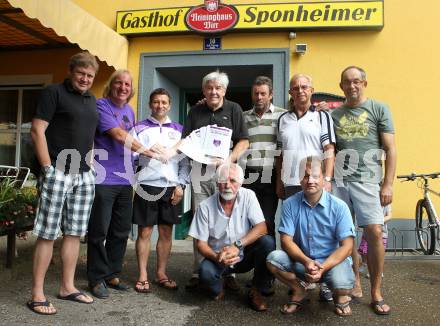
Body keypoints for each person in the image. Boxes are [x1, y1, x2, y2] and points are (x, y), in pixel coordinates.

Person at [28, 51, 99, 314]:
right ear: (71, 71)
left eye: (90, 75)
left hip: (83, 175)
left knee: (74, 233)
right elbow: (37, 130)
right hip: (57, 170)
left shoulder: (92, 100)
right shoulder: (53, 92)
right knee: (48, 233)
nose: (85, 79)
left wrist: (90, 166)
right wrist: (47, 168)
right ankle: (37, 293)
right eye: (81, 73)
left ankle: (67, 287)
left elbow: (89, 135)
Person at [87, 70, 166, 299]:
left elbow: (129, 141)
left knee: (120, 231)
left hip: (125, 179)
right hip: (104, 178)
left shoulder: (129, 110)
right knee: (99, 230)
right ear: (111, 85)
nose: (123, 87)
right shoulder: (102, 106)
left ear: (131, 89)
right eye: (119, 83)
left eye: (127, 84)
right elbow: (119, 135)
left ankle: (112, 273)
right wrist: (148, 151)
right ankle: (96, 277)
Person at [331, 66, 396, 315]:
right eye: (347, 82)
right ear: (341, 87)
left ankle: (376, 290)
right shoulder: (334, 115)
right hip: (340, 182)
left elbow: (390, 149)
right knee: (345, 235)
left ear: (364, 83)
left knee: (374, 232)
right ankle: (354, 281)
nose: (352, 86)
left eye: (356, 81)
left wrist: (388, 184)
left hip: (369, 181)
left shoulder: (379, 108)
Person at [184, 71, 249, 290]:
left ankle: (228, 272)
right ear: (204, 90)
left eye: (218, 88)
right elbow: (186, 141)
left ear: (224, 90)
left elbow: (244, 141)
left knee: (227, 221)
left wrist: (229, 160)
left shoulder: (234, 109)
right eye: (209, 88)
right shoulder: (195, 111)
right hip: (199, 174)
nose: (214, 91)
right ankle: (197, 270)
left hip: (225, 174)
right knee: (199, 221)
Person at [266, 156, 356, 317]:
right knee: (273, 259)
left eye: (315, 176)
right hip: (303, 262)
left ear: (323, 179)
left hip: (331, 264)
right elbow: (286, 241)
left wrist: (322, 268)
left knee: (343, 286)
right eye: (306, 176)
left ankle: (340, 295)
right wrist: (307, 262)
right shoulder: (289, 204)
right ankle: (299, 289)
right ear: (300, 179)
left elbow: (347, 246)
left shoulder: (339, 207)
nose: (310, 180)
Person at [275, 73, 336, 301]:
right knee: (297, 235)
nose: (300, 90)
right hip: (291, 184)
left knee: (322, 233)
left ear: (311, 90)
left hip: (316, 183)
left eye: (304, 87)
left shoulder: (322, 117)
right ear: (290, 93)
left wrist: (327, 180)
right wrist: (279, 181)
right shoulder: (283, 119)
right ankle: (302, 280)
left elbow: (329, 150)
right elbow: (280, 155)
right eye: (296, 88)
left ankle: (327, 282)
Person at [188, 163, 275, 311]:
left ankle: (256, 290)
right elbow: (200, 244)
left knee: (267, 242)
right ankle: (218, 288)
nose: (227, 185)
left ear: (240, 183)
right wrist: (217, 257)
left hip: (243, 256)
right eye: (223, 181)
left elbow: (262, 228)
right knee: (205, 272)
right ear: (217, 183)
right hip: (219, 258)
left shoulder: (248, 196)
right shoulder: (205, 206)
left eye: (233, 181)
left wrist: (238, 245)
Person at [131, 88, 190, 293]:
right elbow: (130, 159)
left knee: (166, 233)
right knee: (145, 231)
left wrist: (181, 185)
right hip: (147, 186)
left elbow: (184, 162)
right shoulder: (138, 128)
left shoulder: (180, 130)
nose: (160, 106)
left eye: (164, 102)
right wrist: (148, 154)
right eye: (156, 102)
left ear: (169, 105)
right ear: (150, 104)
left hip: (171, 188)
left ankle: (161, 274)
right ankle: (142, 275)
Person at [242, 76, 286, 238]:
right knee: (247, 220)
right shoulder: (243, 116)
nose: (259, 97)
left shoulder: (283, 115)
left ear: (271, 94)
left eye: (263, 93)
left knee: (267, 221)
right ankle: (248, 262)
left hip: (272, 174)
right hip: (249, 175)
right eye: (256, 93)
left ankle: (267, 263)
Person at [358, 205, 391, 279]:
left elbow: (389, 216)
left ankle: (379, 271)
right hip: (368, 231)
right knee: (364, 251)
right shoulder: (368, 200)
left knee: (377, 253)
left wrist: (377, 221)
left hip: (381, 232)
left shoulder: (386, 203)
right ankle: (364, 264)